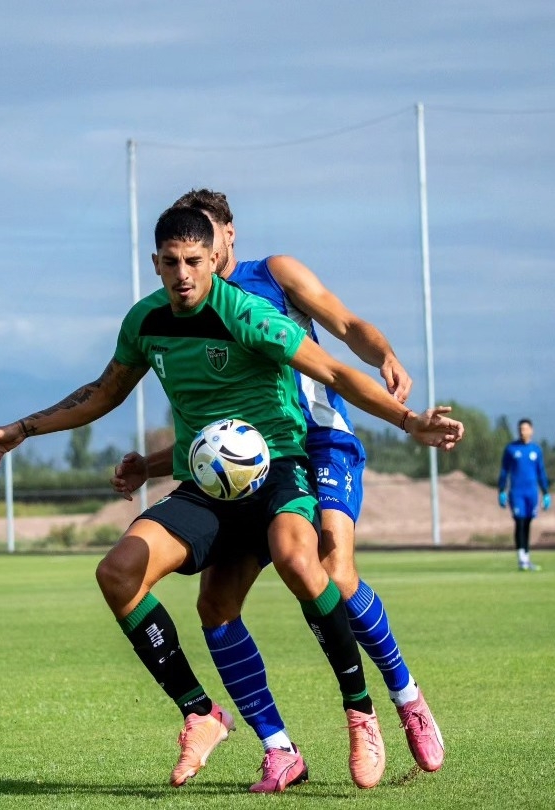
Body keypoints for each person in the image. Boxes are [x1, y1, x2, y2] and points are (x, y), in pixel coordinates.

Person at [0, 207, 462, 792]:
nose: (183, 274)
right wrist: (23, 429)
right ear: (155, 263)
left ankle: (363, 711)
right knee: (120, 573)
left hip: (281, 467)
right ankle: (208, 717)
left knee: (303, 559)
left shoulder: (249, 313)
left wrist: (410, 421)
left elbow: (332, 368)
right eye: (171, 262)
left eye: (194, 262)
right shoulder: (145, 322)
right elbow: (103, 393)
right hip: (209, 487)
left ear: (215, 258)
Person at [112, 188, 447, 783]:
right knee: (217, 605)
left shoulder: (273, 276)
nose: (202, 256)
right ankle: (279, 746)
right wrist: (156, 464)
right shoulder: (183, 311)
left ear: (227, 237)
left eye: (210, 241)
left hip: (315, 436)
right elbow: (213, 436)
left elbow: (345, 326)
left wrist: (385, 355)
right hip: (245, 460)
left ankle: (404, 696)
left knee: (333, 573)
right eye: (184, 251)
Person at [498, 418, 550, 571]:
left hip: (531, 493)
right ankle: (521, 558)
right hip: (517, 492)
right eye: (521, 429)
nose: (523, 432)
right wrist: (501, 490)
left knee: (527, 523)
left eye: (525, 429)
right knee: (519, 522)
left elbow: (541, 472)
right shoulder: (511, 449)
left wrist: (546, 492)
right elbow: (504, 471)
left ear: (531, 430)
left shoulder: (536, 450)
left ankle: (527, 558)